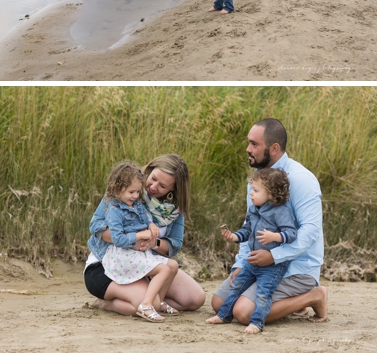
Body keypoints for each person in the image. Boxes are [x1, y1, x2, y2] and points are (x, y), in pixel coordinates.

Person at [212, 118, 330, 324]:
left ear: (274, 148)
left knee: (243, 313)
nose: (248, 149)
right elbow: (251, 227)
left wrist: (273, 256)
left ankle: (314, 296)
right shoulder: (258, 180)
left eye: (254, 144)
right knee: (219, 304)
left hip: (298, 266)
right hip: (260, 264)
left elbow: (310, 232)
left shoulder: (302, 179)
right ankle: (293, 304)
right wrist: (241, 264)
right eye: (248, 142)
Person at [86, 155, 208, 316]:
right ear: (150, 170)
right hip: (109, 263)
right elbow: (95, 225)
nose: (153, 186)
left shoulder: (174, 209)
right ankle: (107, 303)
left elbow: (175, 244)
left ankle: (149, 298)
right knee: (151, 304)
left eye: (163, 185)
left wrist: (153, 243)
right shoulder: (127, 188)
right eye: (153, 178)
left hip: (149, 263)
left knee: (195, 299)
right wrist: (132, 241)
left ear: (173, 189)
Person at [207, 167, 296, 333]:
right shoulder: (254, 210)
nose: (251, 194)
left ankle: (256, 323)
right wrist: (234, 236)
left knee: (263, 293)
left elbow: (291, 234)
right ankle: (224, 315)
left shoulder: (281, 211)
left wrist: (274, 237)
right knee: (237, 286)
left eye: (255, 190)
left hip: (273, 266)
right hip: (252, 260)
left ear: (271, 194)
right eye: (251, 189)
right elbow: (247, 231)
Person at [95, 161, 180, 322]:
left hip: (139, 251)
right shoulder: (114, 210)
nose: (135, 196)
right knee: (163, 270)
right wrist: (140, 235)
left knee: (172, 266)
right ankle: (146, 304)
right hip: (123, 254)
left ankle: (159, 302)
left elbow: (144, 219)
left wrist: (151, 226)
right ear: (116, 189)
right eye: (131, 192)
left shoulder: (136, 204)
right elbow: (119, 239)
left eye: (137, 192)